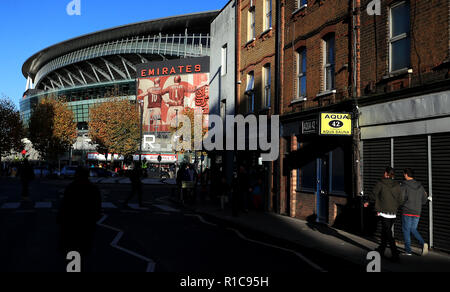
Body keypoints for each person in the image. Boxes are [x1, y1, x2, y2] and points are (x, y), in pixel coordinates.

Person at [57, 167, 102, 263]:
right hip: (87, 222)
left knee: (72, 247)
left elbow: (65, 205)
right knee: (84, 248)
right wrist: (95, 217)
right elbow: (97, 206)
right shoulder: (93, 188)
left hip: (72, 221)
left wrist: (61, 218)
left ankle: (73, 266)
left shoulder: (71, 187)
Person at [364, 167, 403, 261]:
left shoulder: (380, 183)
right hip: (393, 213)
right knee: (385, 231)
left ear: (386, 174)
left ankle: (395, 254)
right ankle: (381, 250)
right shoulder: (397, 185)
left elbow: (374, 194)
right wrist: (394, 206)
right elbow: (400, 200)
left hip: (384, 212)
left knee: (388, 232)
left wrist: (368, 201)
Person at [400, 168, 430, 256]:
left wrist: (402, 204)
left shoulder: (404, 185)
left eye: (404, 174)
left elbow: (401, 198)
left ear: (406, 174)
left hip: (407, 210)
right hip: (417, 211)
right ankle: (423, 243)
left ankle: (408, 251)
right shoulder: (420, 186)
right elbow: (424, 200)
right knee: (413, 229)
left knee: (406, 230)